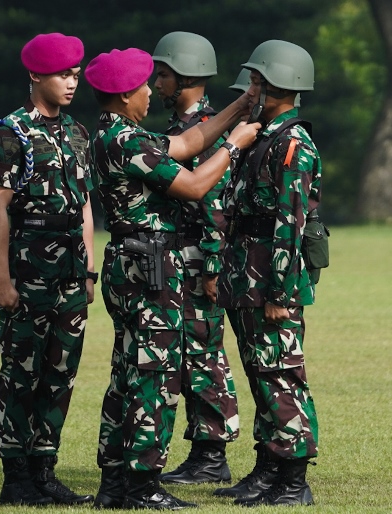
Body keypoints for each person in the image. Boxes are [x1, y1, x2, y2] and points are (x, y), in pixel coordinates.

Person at [83, 47, 260, 510]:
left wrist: (238, 109)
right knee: (154, 375)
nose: (148, 93)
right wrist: (235, 145)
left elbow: (187, 143)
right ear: (124, 95)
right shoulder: (128, 142)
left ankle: (115, 484)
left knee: (126, 372)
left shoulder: (116, 133)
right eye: (143, 86)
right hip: (149, 270)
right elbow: (197, 183)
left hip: (132, 263)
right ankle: (142, 486)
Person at [0, 32, 96, 507]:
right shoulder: (11, 132)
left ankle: (44, 469)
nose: (71, 83)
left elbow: (86, 203)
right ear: (36, 76)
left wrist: (89, 269)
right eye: (62, 74)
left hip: (71, 270)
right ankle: (15, 477)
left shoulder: (76, 132)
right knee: (20, 370)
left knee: (60, 372)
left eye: (74, 74)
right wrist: (2, 279)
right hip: (28, 270)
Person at [215, 40, 323, 507]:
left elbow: (290, 226)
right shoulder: (264, 136)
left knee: (282, 374)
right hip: (248, 276)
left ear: (281, 84)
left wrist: (280, 291)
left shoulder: (293, 147)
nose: (250, 88)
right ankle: (268, 469)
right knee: (261, 373)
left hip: (271, 283)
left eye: (257, 81)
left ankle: (294, 481)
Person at [151, 31, 239, 486]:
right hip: (178, 261)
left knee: (203, 355)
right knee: (189, 354)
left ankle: (210, 456)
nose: (156, 82)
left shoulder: (204, 131)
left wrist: (211, 265)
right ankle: (204, 452)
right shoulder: (183, 131)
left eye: (163, 74)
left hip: (197, 262)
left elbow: (216, 205)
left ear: (185, 77)